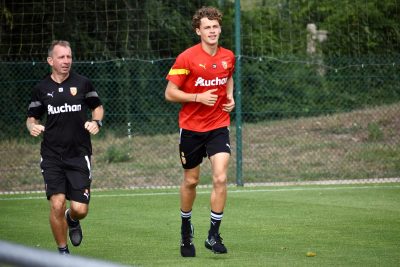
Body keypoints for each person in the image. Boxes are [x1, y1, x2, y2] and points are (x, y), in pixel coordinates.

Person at [165, 6, 235, 257]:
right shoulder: (187, 58)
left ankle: (213, 235)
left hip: (218, 125)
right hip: (192, 129)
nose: (212, 31)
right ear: (198, 31)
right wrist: (197, 97)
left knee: (220, 177)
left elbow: (227, 77)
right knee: (191, 180)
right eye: (207, 27)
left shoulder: (228, 56)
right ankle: (186, 230)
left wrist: (230, 97)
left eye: (215, 26)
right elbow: (170, 92)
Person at [26, 40, 104, 255]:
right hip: (52, 155)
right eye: (61, 57)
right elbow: (31, 117)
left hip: (79, 155)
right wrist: (32, 126)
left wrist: (96, 122)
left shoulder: (83, 83)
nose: (66, 61)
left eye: (69, 56)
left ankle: (72, 219)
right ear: (51, 60)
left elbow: (97, 107)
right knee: (57, 204)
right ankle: (63, 253)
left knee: (80, 209)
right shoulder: (41, 88)